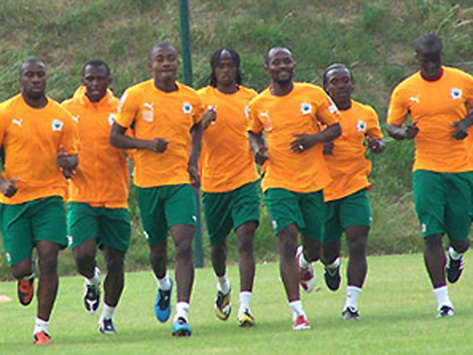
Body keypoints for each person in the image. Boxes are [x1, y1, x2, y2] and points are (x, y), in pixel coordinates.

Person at [110, 43, 203, 336]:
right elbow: (115, 137)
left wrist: (192, 160)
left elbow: (198, 126)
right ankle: (163, 283)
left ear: (177, 63)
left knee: (184, 245)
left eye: (171, 59)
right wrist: (147, 145)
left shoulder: (191, 97)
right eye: (160, 59)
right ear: (150, 64)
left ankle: (182, 315)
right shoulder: (136, 95)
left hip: (179, 183)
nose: (166, 64)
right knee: (157, 250)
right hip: (148, 184)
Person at [247, 47, 341, 330]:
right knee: (287, 238)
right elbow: (252, 131)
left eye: (287, 60)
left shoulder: (312, 94)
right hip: (277, 181)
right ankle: (297, 312)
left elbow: (335, 128)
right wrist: (257, 150)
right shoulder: (259, 103)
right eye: (276, 62)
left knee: (315, 247)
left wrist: (313, 139)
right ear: (268, 69)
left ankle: (306, 259)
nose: (282, 66)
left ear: (294, 64)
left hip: (312, 182)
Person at [386, 34, 473, 317]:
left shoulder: (462, 81)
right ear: (417, 58)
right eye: (426, 61)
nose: (432, 66)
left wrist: (466, 122)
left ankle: (456, 255)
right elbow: (392, 126)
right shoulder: (405, 89)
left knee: (460, 238)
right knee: (431, 235)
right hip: (427, 170)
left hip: (462, 168)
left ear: (442, 56)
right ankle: (443, 301)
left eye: (436, 60)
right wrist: (403, 133)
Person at [0, 58, 78, 344]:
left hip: (50, 197)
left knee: (49, 256)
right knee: (21, 266)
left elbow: (73, 159)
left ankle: (41, 327)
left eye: (40, 75)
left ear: (46, 78)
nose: (35, 80)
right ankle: (25, 276)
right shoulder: (6, 112)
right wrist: (3, 183)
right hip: (15, 201)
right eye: (29, 75)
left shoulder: (62, 116)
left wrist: (68, 161)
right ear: (20, 79)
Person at [62, 60, 131, 334]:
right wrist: (64, 163)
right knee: (83, 255)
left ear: (109, 80)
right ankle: (91, 279)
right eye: (89, 79)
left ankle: (108, 316)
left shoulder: (120, 110)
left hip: (115, 196)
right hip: (81, 196)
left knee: (116, 261)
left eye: (100, 79)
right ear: (82, 79)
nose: (94, 84)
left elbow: (132, 144)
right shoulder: (68, 110)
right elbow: (57, 147)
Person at [198, 48, 260, 327]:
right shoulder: (201, 99)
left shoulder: (251, 98)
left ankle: (245, 308)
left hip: (245, 180)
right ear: (213, 70)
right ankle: (223, 286)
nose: (226, 70)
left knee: (246, 239)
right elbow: (187, 135)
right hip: (213, 183)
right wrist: (202, 122)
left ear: (237, 68)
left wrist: (263, 151)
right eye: (221, 66)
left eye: (230, 65)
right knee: (218, 246)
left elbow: (262, 131)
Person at [317, 63, 385, 320]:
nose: (342, 85)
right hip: (324, 189)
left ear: (353, 85)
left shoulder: (365, 112)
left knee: (358, 240)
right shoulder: (317, 114)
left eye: (346, 81)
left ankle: (351, 305)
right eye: (335, 82)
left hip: (356, 186)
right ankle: (330, 265)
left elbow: (376, 138)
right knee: (327, 247)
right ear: (326, 87)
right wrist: (321, 146)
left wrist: (378, 144)